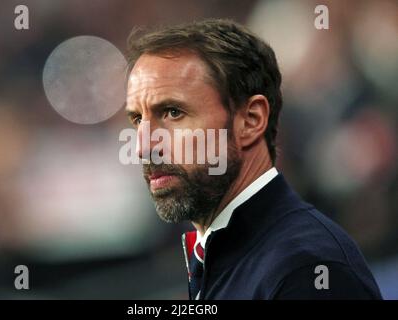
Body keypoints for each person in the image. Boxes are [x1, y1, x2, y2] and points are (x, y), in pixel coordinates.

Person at [124, 19, 382, 299]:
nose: (143, 146)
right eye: (137, 119)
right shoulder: (223, 255)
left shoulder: (306, 270)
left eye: (173, 112)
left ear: (251, 120)